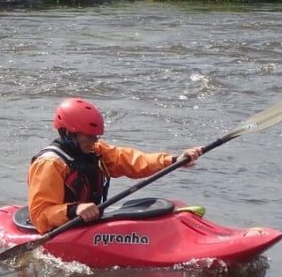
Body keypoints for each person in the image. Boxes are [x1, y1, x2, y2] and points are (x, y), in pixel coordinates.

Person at [27, 98, 203, 233]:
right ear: (68, 133)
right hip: (62, 228)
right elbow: (40, 216)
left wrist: (173, 160)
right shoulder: (50, 164)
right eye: (89, 136)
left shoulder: (96, 150)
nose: (95, 141)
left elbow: (132, 161)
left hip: (86, 223)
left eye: (96, 136)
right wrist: (74, 210)